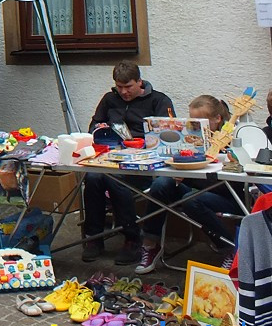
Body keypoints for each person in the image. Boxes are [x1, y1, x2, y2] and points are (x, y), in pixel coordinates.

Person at [81, 61, 175, 265]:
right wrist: (100, 130)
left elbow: (170, 135)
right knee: (93, 176)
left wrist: (144, 145)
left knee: (115, 178)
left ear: (139, 82)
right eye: (119, 87)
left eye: (128, 87)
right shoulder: (109, 99)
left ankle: (132, 238)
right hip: (111, 156)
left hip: (145, 164)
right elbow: (93, 127)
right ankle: (94, 237)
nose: (123, 92)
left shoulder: (159, 100)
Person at [135, 95, 238, 273]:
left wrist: (190, 177)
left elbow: (231, 185)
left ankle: (231, 249)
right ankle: (150, 245)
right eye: (192, 121)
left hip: (227, 196)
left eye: (200, 122)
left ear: (217, 119)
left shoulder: (232, 140)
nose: (194, 127)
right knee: (161, 184)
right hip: (193, 190)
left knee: (192, 199)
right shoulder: (189, 141)